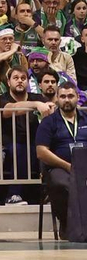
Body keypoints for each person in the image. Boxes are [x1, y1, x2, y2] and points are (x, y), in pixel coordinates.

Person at [36, 83, 86, 239]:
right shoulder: (49, 122)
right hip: (59, 168)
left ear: (77, 98)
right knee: (62, 185)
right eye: (63, 96)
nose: (67, 100)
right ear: (57, 99)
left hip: (85, 167)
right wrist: (67, 166)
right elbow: (41, 152)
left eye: (70, 96)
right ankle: (67, 224)